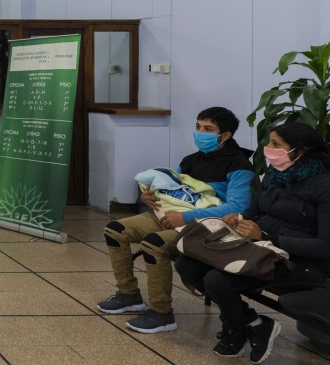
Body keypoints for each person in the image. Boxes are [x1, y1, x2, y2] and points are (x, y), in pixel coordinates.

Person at [175, 123, 330, 364]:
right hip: (262, 249)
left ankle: (238, 327)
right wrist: (240, 220)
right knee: (188, 263)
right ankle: (251, 323)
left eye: (276, 145)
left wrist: (267, 238)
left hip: (301, 263)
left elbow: (324, 246)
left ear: (300, 151)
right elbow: (254, 212)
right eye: (269, 142)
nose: (268, 149)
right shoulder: (275, 174)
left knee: (217, 279)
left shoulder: (324, 186)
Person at [97, 107, 254, 333]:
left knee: (154, 243)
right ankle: (129, 295)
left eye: (208, 129)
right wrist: (150, 196)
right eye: (198, 127)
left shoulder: (239, 166)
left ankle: (162, 313)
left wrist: (185, 216)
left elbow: (238, 207)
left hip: (209, 226)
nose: (200, 133)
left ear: (226, 135)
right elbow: (172, 188)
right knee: (115, 230)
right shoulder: (191, 160)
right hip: (173, 216)